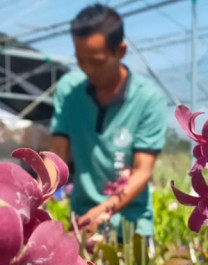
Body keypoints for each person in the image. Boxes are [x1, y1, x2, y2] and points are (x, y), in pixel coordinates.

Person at [49, 4, 168, 240]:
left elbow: (142, 171)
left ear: (121, 51)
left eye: (97, 61)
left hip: (131, 228)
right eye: (81, 60)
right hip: (82, 223)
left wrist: (102, 211)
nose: (88, 70)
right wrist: (37, 198)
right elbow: (57, 156)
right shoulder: (69, 90)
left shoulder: (148, 99)